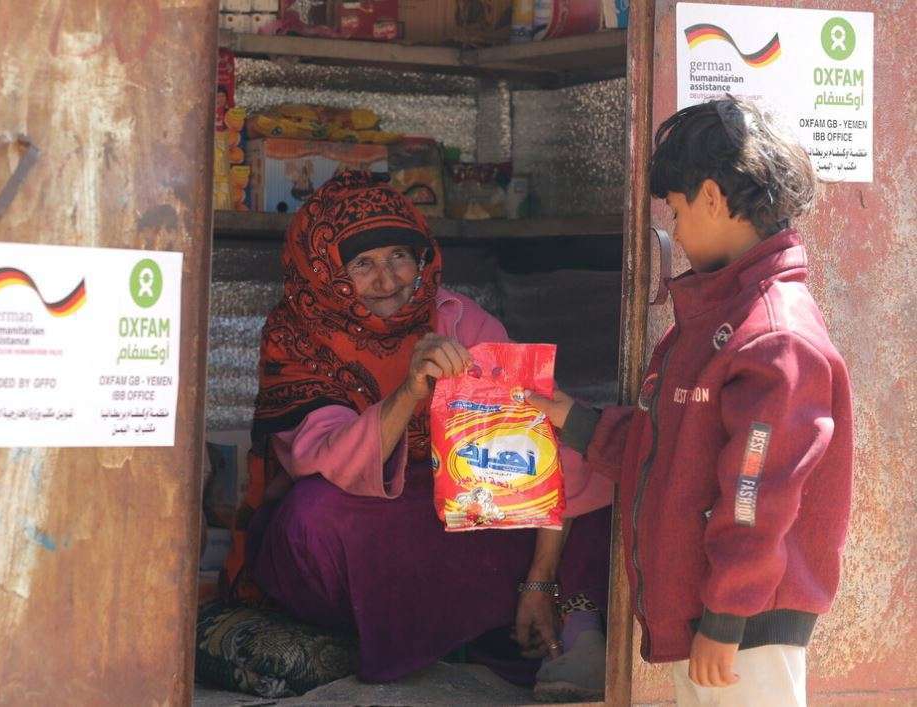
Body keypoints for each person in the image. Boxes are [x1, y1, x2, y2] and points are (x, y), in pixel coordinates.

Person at [225, 170, 615, 685]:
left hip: (458, 506)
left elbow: (537, 454)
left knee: (596, 472)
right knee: (312, 520)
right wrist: (410, 392)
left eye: (399, 257)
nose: (387, 281)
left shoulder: (459, 320)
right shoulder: (300, 336)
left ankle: (569, 624)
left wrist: (539, 581)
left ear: (423, 257)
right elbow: (323, 459)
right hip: (361, 515)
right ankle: (453, 633)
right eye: (362, 264)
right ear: (325, 271)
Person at [528, 97, 853, 706]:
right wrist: (566, 416)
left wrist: (726, 619)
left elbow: (757, 490)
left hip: (743, 633)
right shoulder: (714, 322)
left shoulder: (773, 334)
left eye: (674, 211)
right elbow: (671, 453)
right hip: (713, 622)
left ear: (710, 196)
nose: (672, 230)